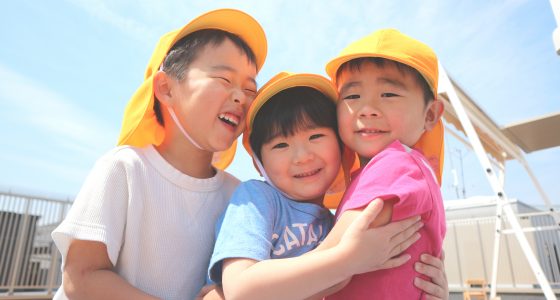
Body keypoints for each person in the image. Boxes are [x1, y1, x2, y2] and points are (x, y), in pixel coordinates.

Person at [50, 9, 268, 300]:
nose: (241, 96)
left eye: (250, 89)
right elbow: (82, 277)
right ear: (166, 88)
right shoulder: (125, 168)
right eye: (224, 80)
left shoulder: (238, 196)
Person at [206, 72, 447, 300]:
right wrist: (347, 260)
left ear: (342, 147)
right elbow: (240, 288)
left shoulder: (330, 223)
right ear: (259, 164)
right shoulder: (256, 200)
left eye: (316, 137)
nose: (301, 156)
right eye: (280, 145)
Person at [319, 28, 448, 299]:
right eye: (352, 96)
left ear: (430, 114)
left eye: (389, 94)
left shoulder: (396, 165)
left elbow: (324, 272)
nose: (367, 108)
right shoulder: (411, 169)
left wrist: (234, 289)